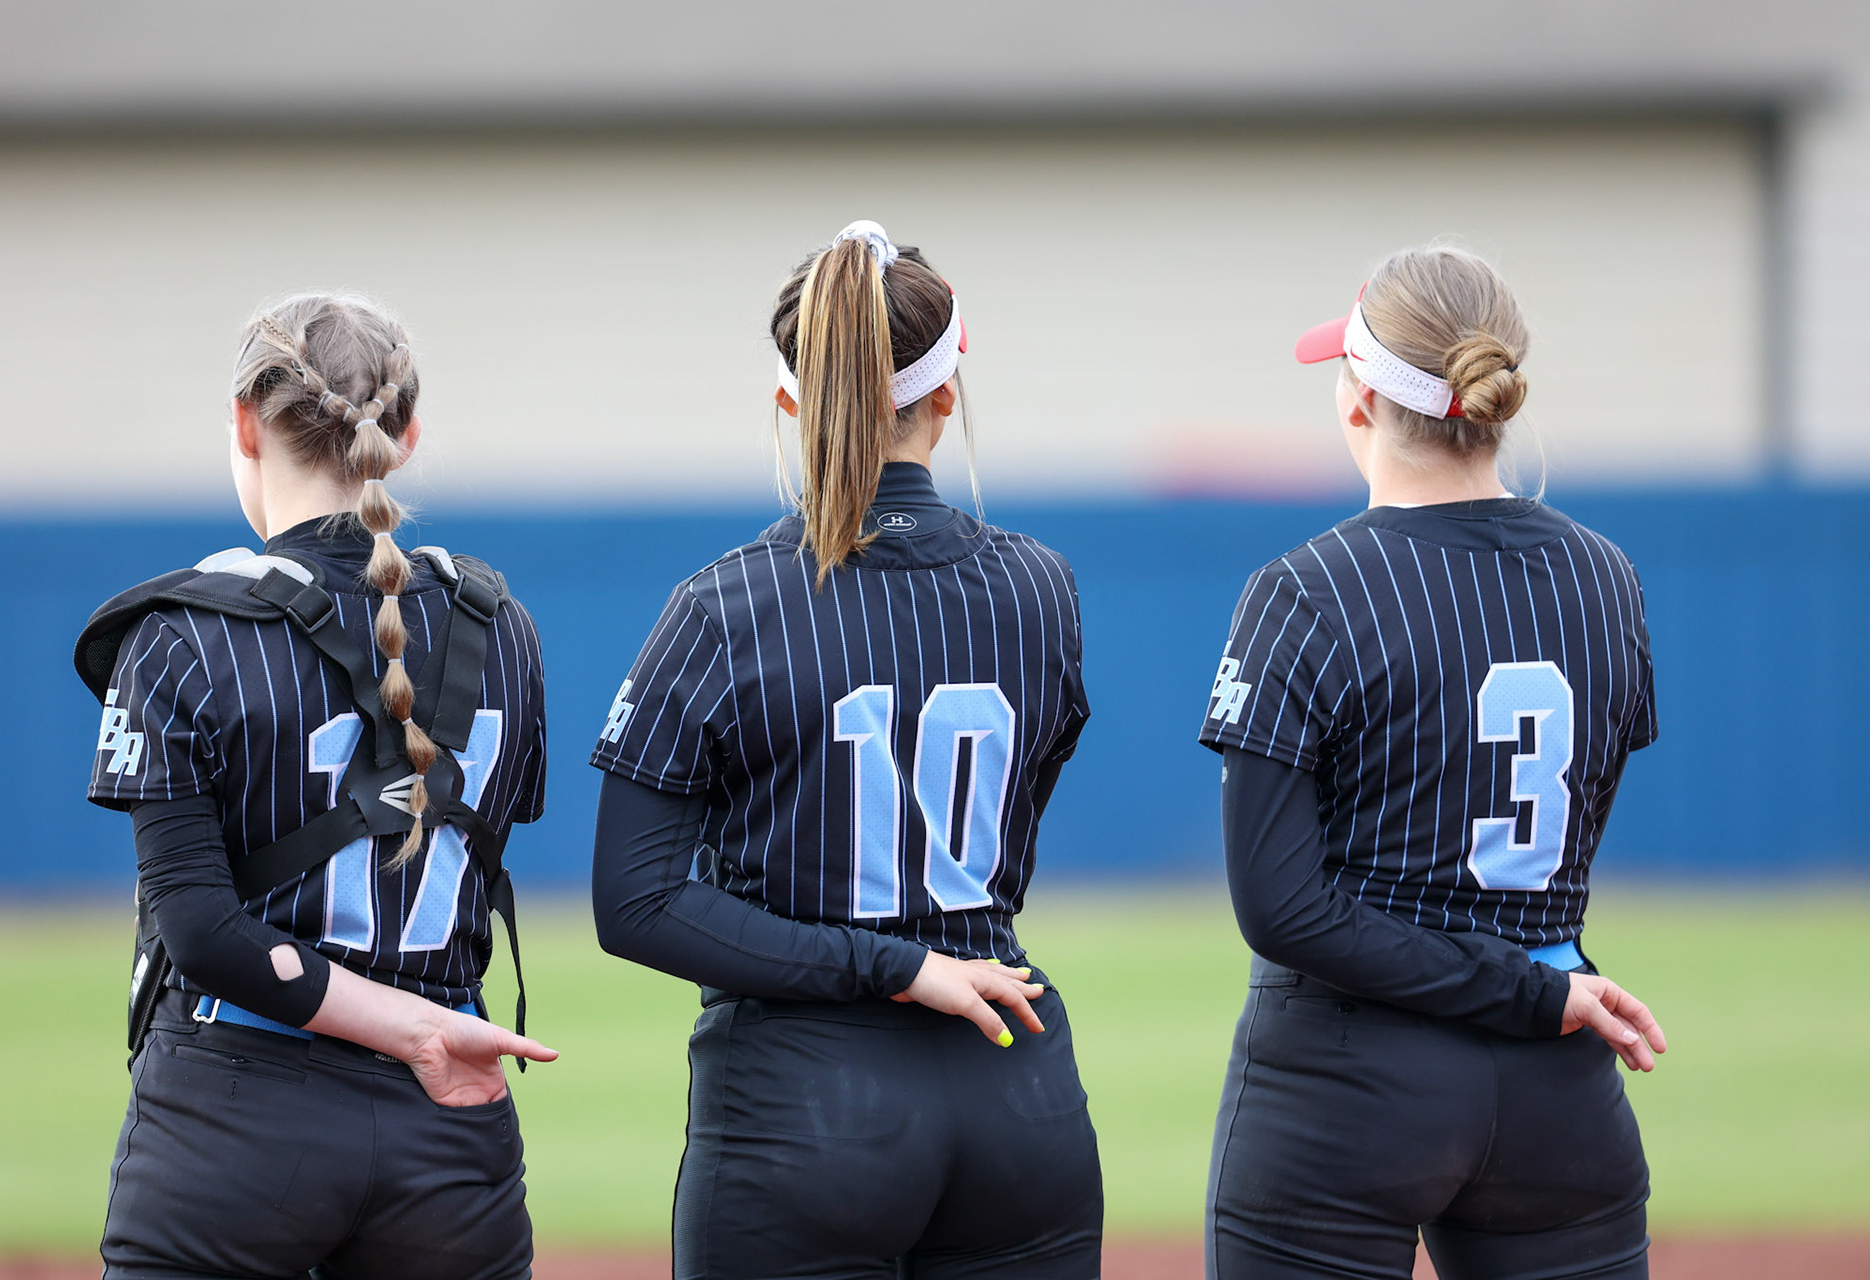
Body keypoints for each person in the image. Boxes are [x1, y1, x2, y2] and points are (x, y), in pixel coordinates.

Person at [590, 220, 1103, 1279]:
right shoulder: (1042, 588)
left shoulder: (722, 604)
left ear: (792, 395)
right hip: (1017, 1083)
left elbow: (632, 902)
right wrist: (919, 951)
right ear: (950, 388)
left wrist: (889, 964)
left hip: (802, 1106)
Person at [1198, 247, 1668, 1280]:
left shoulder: (1303, 590)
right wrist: (1531, 988)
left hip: (1351, 1080)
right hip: (1560, 1077)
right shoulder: (1607, 578)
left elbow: (1280, 908)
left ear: (1361, 397)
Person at [76, 293, 556, 1280]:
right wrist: (420, 1021)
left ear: (247, 423)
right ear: (406, 434)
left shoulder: (179, 633)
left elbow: (204, 933)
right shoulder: (499, 620)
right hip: (450, 1131)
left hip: (235, 1123)